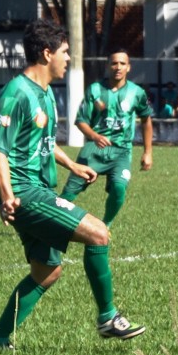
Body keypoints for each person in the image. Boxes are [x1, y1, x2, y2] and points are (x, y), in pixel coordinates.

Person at [0, 19, 145, 350]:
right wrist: (7, 196)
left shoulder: (44, 94)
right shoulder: (16, 94)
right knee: (98, 233)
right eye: (65, 52)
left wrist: (71, 164)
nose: (68, 58)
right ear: (46, 53)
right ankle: (108, 318)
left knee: (47, 272)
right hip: (25, 193)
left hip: (38, 188)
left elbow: (41, 141)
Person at [59, 48, 153, 227]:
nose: (118, 67)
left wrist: (148, 152)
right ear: (108, 65)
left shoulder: (137, 92)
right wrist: (94, 136)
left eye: (122, 63)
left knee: (119, 188)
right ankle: (46, 223)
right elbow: (80, 121)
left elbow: (146, 120)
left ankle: (105, 225)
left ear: (129, 67)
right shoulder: (95, 90)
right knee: (69, 193)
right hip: (94, 150)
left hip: (121, 151)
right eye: (114, 63)